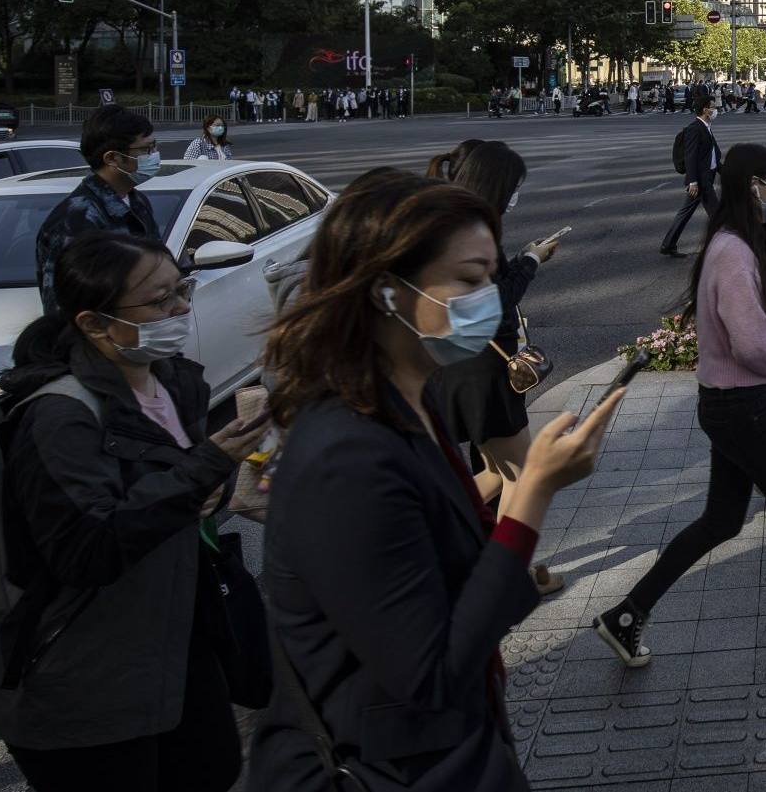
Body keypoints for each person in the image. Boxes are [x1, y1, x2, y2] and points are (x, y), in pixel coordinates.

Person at [249, 169, 621, 792]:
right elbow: (432, 674)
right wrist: (532, 492)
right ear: (385, 292)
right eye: (470, 281)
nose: (489, 299)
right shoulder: (348, 455)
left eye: (491, 278)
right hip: (391, 766)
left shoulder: (411, 397)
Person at [0, 232, 266, 792]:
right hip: (85, 672)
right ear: (94, 323)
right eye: (160, 301)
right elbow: (88, 548)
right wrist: (206, 465)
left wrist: (215, 479)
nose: (182, 308)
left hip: (174, 642)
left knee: (213, 770)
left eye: (181, 290)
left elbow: (177, 492)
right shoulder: (60, 417)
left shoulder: (172, 379)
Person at [594, 145, 766, 674]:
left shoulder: (739, 244)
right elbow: (750, 345)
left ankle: (627, 616)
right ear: (754, 187)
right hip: (742, 407)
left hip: (731, 405)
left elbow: (747, 320)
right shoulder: (732, 251)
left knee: (722, 520)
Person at [428, 141, 565, 594]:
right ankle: (507, 576)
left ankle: (446, 532)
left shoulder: (451, 224)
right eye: (513, 187)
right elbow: (495, 302)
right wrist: (530, 261)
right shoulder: (469, 234)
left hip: (463, 366)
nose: (515, 196)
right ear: (495, 185)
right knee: (522, 476)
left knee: (498, 470)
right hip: (483, 369)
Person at [33, 105, 162, 317]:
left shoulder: (137, 201)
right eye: (146, 150)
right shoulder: (76, 219)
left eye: (154, 147)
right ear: (112, 158)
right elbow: (67, 308)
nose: (154, 156)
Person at [659, 90, 721, 257]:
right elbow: (690, 156)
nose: (716, 110)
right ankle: (723, 247)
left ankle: (668, 244)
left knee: (685, 212)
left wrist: (725, 171)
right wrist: (692, 181)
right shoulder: (695, 128)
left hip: (706, 177)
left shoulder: (706, 127)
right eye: (713, 107)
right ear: (704, 110)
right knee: (717, 215)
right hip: (701, 180)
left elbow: (712, 154)